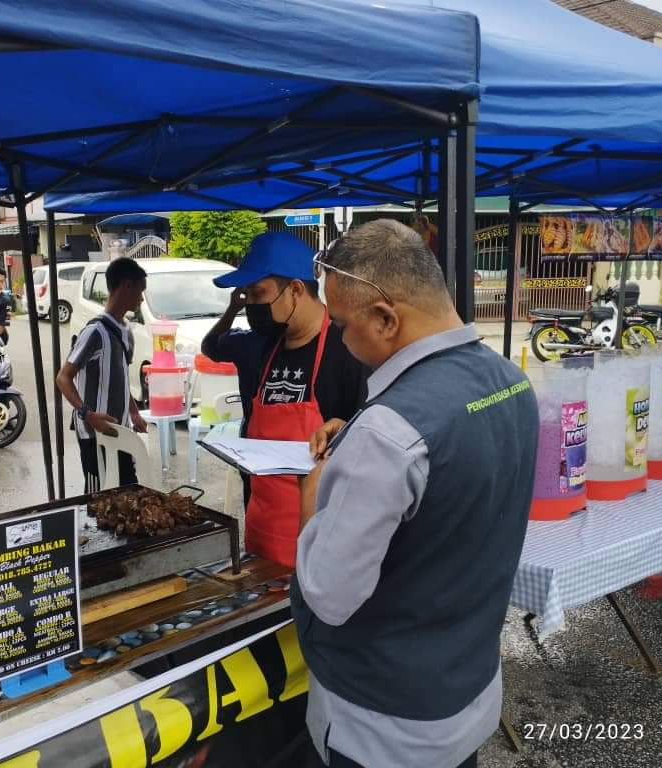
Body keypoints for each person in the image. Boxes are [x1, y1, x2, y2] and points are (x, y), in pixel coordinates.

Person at [293, 220, 538, 768]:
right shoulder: (511, 381)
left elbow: (329, 594)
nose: (339, 339)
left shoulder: (388, 434)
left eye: (342, 325)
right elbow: (455, 492)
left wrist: (314, 494)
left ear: (385, 318)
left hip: (383, 728)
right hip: (467, 693)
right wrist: (359, 444)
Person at [202, 231, 368, 568]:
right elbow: (211, 346)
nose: (251, 304)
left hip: (322, 543)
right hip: (261, 533)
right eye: (246, 295)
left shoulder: (349, 349)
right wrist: (233, 308)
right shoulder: (258, 346)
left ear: (295, 289)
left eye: (258, 293)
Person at [57, 258, 148, 492]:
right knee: (99, 497)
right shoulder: (94, 332)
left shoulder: (127, 332)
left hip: (120, 431)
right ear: (126, 286)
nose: (141, 298)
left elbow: (121, 378)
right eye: (140, 290)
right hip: (93, 433)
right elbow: (63, 378)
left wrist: (134, 412)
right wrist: (87, 414)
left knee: (127, 492)